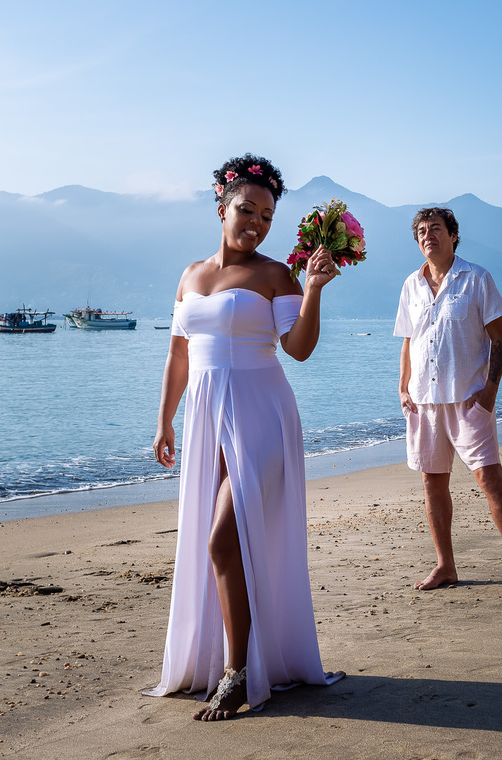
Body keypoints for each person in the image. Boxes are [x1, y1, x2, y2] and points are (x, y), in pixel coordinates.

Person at [146, 154, 343, 721]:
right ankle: (233, 659)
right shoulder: (190, 275)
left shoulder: (276, 274)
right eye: (246, 210)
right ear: (222, 208)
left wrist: (313, 291)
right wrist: (165, 420)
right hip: (206, 418)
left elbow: (299, 348)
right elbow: (178, 355)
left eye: (267, 215)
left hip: (261, 416)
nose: (256, 222)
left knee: (221, 540)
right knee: (219, 541)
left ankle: (236, 673)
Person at [394, 207, 502, 597]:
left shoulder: (477, 278)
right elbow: (409, 340)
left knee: (490, 479)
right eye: (421, 231)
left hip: (468, 401)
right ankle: (446, 566)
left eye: (436, 229)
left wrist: (489, 393)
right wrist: (402, 388)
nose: (428, 236)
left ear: (453, 236)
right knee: (432, 483)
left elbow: (499, 339)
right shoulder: (411, 285)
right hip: (424, 402)